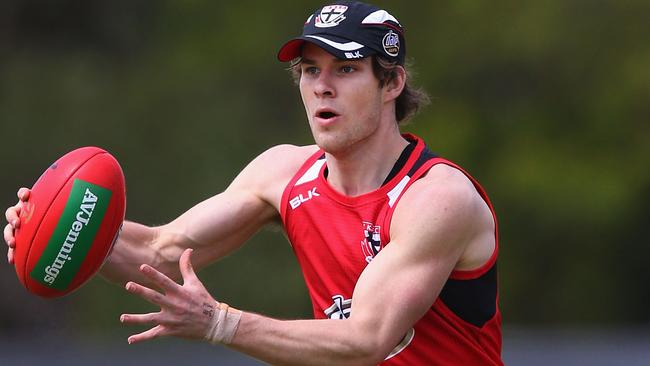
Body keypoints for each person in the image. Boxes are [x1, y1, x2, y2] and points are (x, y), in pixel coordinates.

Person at [4, 1, 503, 365]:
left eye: (346, 70)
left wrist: (220, 322)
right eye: (310, 70)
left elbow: (367, 338)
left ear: (392, 83)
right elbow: (160, 251)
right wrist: (61, 228)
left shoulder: (436, 197)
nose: (322, 86)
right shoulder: (284, 172)